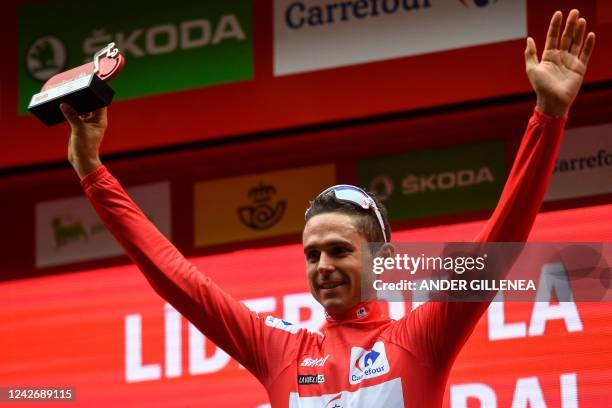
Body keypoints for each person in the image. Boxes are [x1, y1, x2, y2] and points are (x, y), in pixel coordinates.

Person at [60, 10, 595, 407]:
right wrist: (92, 170)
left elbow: (498, 245)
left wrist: (547, 116)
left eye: (339, 249)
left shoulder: (423, 338)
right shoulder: (281, 352)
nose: (322, 266)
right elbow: (175, 277)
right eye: (312, 254)